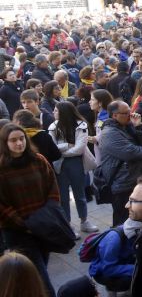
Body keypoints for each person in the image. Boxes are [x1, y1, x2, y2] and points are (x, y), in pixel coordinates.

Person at [0, 124, 59, 296]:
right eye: (13, 140)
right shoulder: (2, 169)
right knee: (41, 277)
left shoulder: (38, 160)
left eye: (21, 139)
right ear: (4, 143)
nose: (19, 143)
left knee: (38, 271)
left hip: (43, 227)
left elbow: (52, 188)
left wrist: (49, 213)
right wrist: (23, 223)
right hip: (17, 231)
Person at [98, 100, 142, 226]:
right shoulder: (109, 133)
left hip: (135, 179)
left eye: (130, 111)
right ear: (114, 115)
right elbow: (130, 153)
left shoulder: (129, 126)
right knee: (123, 220)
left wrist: (139, 127)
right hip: (122, 184)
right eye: (126, 113)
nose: (131, 115)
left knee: (138, 217)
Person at [49, 101, 98, 235]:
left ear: (64, 112)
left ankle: (84, 221)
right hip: (60, 164)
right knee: (63, 197)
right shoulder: (52, 126)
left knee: (80, 193)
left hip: (76, 162)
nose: (53, 113)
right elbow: (52, 148)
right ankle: (68, 224)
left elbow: (79, 149)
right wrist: (67, 146)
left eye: (56, 110)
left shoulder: (81, 125)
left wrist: (62, 151)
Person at [88, 218, 142, 294]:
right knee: (131, 277)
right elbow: (108, 269)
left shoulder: (133, 234)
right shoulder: (113, 239)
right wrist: (135, 269)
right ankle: (112, 289)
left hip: (121, 260)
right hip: (103, 271)